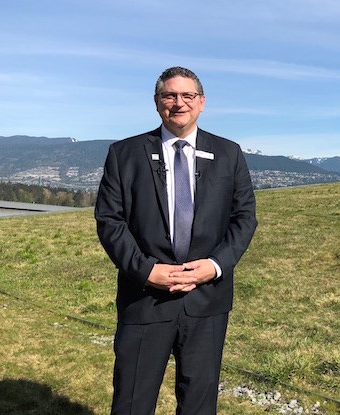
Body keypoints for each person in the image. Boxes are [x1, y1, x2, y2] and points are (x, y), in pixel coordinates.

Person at [95, 66, 257, 414]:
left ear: (201, 103)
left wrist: (213, 267)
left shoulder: (229, 154)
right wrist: (146, 271)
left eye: (187, 96)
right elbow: (110, 221)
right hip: (144, 298)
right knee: (132, 400)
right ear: (157, 103)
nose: (178, 103)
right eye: (169, 95)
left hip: (206, 301)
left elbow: (244, 218)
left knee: (199, 403)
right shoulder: (125, 154)